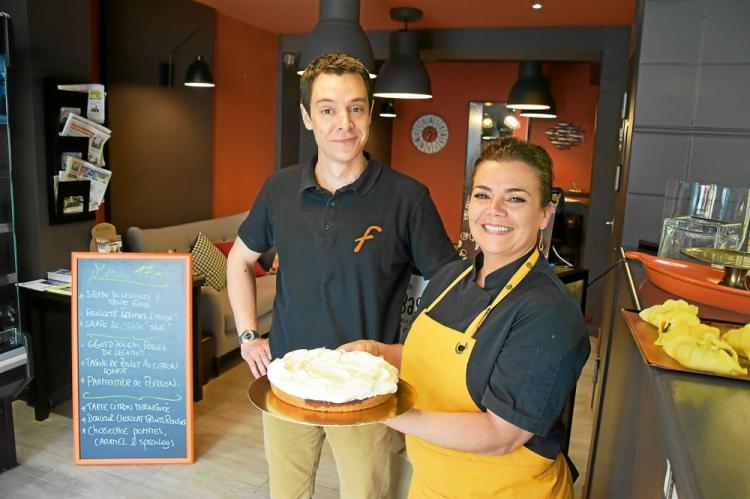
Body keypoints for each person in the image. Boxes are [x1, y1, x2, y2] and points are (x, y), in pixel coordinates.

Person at [226, 52, 457, 499]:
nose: (343, 123)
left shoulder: (407, 198)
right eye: (327, 109)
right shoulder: (279, 190)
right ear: (307, 117)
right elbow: (238, 260)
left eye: (355, 107)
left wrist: (405, 353)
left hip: (367, 393)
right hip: (289, 382)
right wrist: (248, 335)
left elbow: (451, 288)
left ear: (370, 112)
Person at [342, 137, 590, 498]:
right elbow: (421, 357)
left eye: (516, 198)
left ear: (544, 214)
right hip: (430, 484)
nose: (495, 210)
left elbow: (501, 435)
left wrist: (383, 412)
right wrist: (376, 351)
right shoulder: (449, 277)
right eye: (483, 194)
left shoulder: (548, 312)